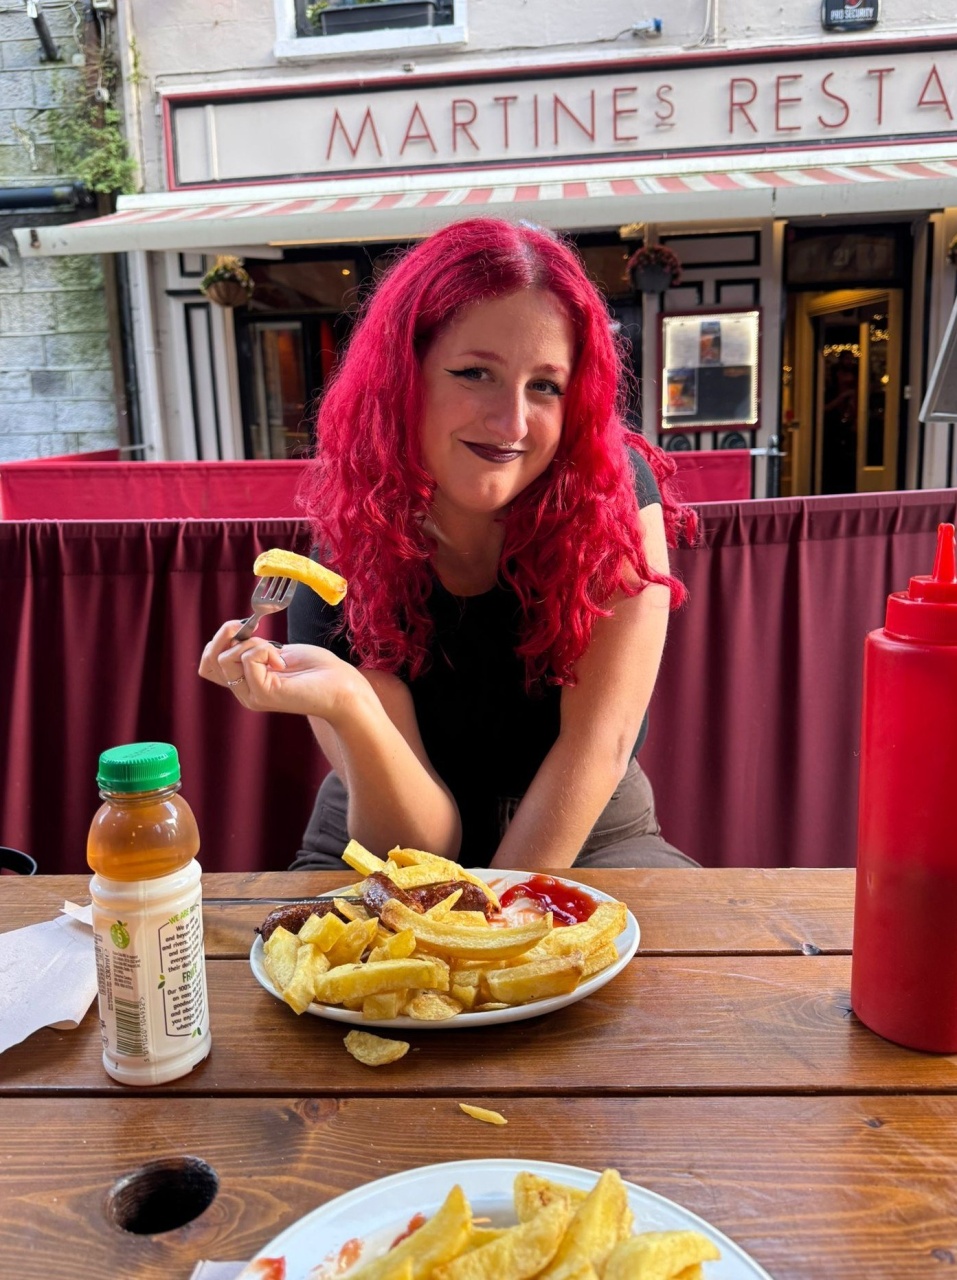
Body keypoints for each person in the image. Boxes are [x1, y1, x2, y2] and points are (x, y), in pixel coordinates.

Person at [199, 218, 698, 871]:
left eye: (544, 385)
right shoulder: (347, 545)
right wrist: (349, 705)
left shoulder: (608, 492)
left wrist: (496, 928)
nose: (512, 422)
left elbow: (597, 747)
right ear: (402, 377)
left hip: (589, 823)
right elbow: (420, 848)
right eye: (474, 373)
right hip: (386, 832)